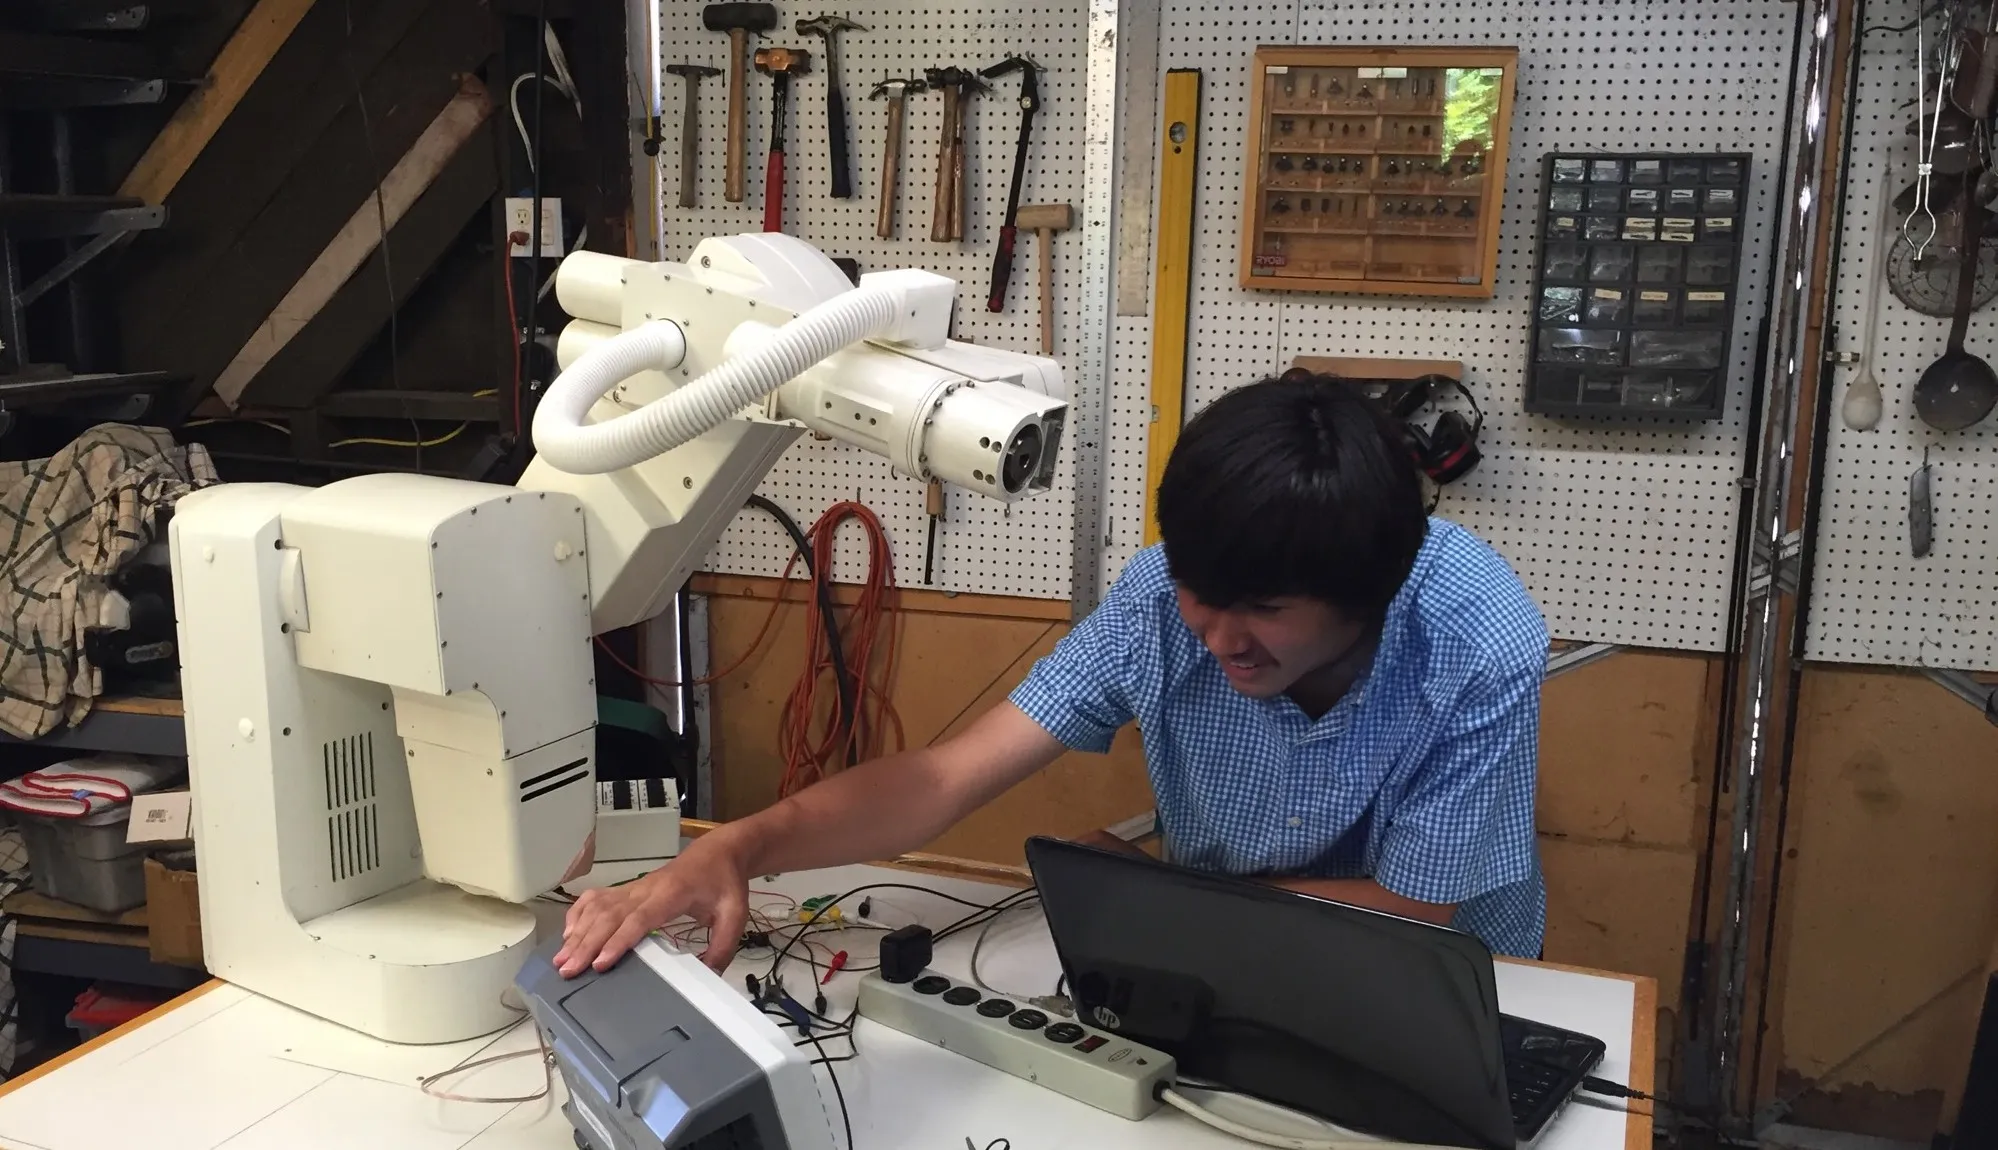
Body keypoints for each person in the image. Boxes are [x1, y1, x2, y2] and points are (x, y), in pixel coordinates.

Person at [554, 370, 1549, 978]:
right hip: (1224, 947)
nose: (1217, 635)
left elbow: (1419, 909)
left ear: (1366, 594)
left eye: (1265, 615)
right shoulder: (1164, 594)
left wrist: (1165, 903)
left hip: (1435, 969)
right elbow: (945, 778)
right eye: (1204, 591)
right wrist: (744, 842)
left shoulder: (1475, 639)